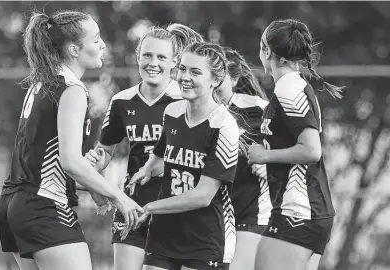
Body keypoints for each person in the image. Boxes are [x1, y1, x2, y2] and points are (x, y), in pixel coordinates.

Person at [0, 10, 142, 270]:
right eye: (96, 40)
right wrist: (119, 196)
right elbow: (70, 162)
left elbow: (48, 160)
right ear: (74, 49)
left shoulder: (42, 82)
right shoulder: (72, 88)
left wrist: (93, 184)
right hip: (43, 206)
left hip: (13, 204)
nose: (103, 45)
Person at [86, 24, 204, 270]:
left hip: (175, 209)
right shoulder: (121, 101)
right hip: (134, 205)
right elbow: (106, 150)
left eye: (162, 57)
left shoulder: (187, 100)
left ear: (174, 63)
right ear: (137, 57)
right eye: (147, 55)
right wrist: (94, 161)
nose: (153, 63)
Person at [128, 42, 240, 270]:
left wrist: (150, 208)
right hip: (164, 234)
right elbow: (160, 158)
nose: (185, 77)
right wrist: (146, 170)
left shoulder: (224, 125)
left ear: (215, 80)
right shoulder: (172, 111)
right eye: (182, 69)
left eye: (195, 72)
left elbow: (203, 196)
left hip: (205, 240)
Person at [248, 19, 343, 270]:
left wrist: (264, 157)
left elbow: (311, 150)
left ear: (268, 51)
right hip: (303, 212)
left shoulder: (289, 89)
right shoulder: (290, 86)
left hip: (298, 212)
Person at [214, 48, 272, 270]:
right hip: (209, 217)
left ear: (235, 79)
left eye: (219, 79)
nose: (212, 85)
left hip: (251, 212)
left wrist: (272, 167)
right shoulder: (193, 112)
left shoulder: (260, 109)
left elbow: (301, 153)